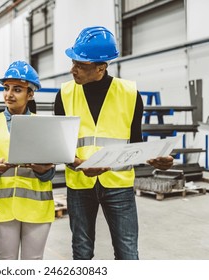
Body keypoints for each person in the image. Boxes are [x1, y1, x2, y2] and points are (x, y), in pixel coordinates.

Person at [54, 26, 174, 260]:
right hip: (80, 184)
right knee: (81, 252)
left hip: (118, 184)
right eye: (73, 62)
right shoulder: (65, 94)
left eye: (81, 64)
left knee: (127, 252)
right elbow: (60, 146)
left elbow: (135, 142)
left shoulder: (130, 93)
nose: (73, 70)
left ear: (101, 67)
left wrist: (157, 160)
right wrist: (78, 163)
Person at [0, 60, 56, 260]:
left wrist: (40, 168)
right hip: (0, 206)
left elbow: (50, 173)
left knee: (33, 262)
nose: (9, 94)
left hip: (36, 206)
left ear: (30, 94)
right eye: (6, 88)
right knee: (6, 263)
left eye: (17, 89)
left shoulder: (43, 125)